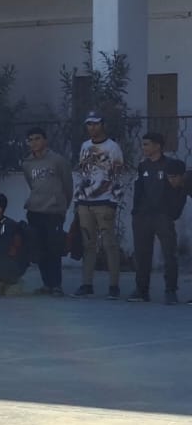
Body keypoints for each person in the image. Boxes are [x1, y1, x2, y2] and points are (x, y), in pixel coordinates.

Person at [72, 113, 127, 299]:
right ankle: (87, 284)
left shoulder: (113, 147)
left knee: (109, 244)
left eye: (95, 124)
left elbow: (118, 176)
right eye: (89, 124)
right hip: (85, 202)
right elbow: (83, 173)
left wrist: (114, 202)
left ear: (102, 125)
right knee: (88, 244)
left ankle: (114, 285)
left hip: (105, 202)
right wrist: (78, 199)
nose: (92, 128)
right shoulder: (85, 146)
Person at [129, 132, 185, 304]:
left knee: (169, 254)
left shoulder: (170, 165)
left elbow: (178, 191)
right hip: (143, 216)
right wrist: (136, 212)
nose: (144, 147)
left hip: (163, 216)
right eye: (143, 144)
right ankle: (142, 290)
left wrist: (171, 213)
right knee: (142, 254)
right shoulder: (143, 166)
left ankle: (170, 290)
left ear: (158, 146)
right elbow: (138, 189)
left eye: (147, 144)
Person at [20, 128, 72, 297]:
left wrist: (62, 206)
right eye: (30, 139)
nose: (34, 142)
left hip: (54, 212)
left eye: (37, 138)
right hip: (35, 211)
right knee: (40, 249)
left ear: (45, 140)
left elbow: (67, 186)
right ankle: (46, 284)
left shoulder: (58, 160)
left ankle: (56, 285)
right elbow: (31, 185)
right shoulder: (27, 164)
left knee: (54, 249)